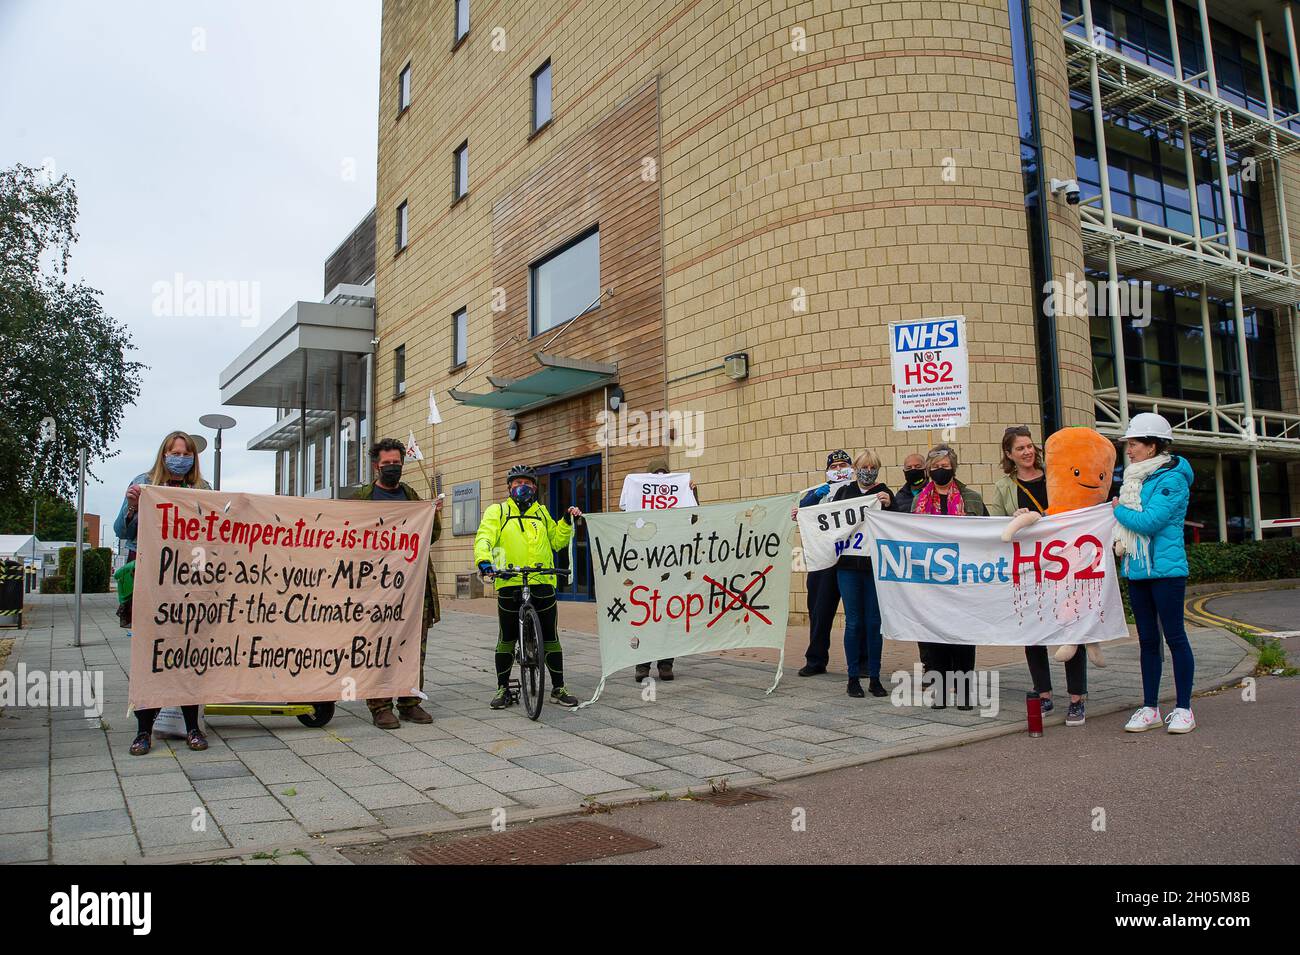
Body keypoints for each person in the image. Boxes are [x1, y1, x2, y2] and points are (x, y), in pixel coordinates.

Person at [114, 431, 212, 756]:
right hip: (149, 581)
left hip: (187, 582)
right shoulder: (144, 483)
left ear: (193, 458)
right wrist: (132, 507)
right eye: (174, 452)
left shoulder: (201, 489)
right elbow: (122, 532)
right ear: (163, 454)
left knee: (188, 652)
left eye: (185, 453)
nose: (179, 458)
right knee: (149, 654)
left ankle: (192, 727)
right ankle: (144, 731)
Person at [988, 426, 1086, 726]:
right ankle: (1043, 693)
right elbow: (994, 524)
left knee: (1072, 627)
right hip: (1029, 569)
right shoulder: (1004, 486)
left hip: (1063, 563)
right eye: (1020, 449)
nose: (1027, 452)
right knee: (1034, 630)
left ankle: (1076, 698)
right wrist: (1011, 518)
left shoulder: (1056, 474)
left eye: (1030, 446)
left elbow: (1077, 506)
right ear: (1009, 454)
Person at [1113, 414, 1196, 734]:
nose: (1129, 450)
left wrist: (1117, 508)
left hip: (1167, 571)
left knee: (1175, 638)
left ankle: (1184, 708)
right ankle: (1149, 708)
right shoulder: (1137, 477)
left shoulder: (1172, 478)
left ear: (1152, 445)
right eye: (1128, 444)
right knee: (1148, 641)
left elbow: (1149, 522)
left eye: (1134, 444)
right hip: (1137, 569)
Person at [475, 464, 582, 709]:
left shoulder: (542, 513)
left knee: (551, 637)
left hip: (542, 580)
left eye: (528, 483)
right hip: (510, 580)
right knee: (507, 637)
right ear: (509, 487)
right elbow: (484, 537)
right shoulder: (498, 512)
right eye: (517, 483)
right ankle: (503, 688)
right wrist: (484, 560)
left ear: (534, 487)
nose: (522, 487)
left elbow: (557, 541)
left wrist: (566, 520)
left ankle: (558, 688)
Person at [353, 438, 442, 730]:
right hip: (377, 588)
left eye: (397, 463)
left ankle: (409, 702)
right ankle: (380, 705)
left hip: (414, 588)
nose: (392, 468)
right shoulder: (362, 499)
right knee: (379, 646)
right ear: (376, 465)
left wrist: (432, 513)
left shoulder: (412, 495)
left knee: (415, 646)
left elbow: (432, 535)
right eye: (387, 463)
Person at [910, 444, 985, 709]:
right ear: (928, 470)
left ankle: (964, 692)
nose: (941, 471)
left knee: (963, 636)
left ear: (953, 466)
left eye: (945, 466)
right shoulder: (917, 502)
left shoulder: (972, 498)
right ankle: (940, 691)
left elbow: (985, 534)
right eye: (935, 467)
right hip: (931, 580)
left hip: (964, 576)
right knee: (936, 636)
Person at [829, 451, 892, 698]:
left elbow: (897, 525)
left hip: (874, 568)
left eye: (872, 466)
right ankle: (853, 677)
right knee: (853, 622)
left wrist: (890, 505)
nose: (868, 470)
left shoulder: (885, 493)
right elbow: (825, 519)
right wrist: (801, 516)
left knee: (874, 622)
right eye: (864, 466)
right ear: (856, 468)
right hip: (848, 567)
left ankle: (875, 677)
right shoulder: (844, 493)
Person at [631, 457, 697, 683]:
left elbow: (693, 518)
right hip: (646, 566)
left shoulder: (681, 493)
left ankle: (666, 664)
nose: (660, 479)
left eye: (663, 475)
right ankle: (642, 665)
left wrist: (692, 494)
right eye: (655, 475)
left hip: (672, 566)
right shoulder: (638, 494)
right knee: (645, 616)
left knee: (669, 615)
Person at [794, 450, 854, 677]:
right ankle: (816, 659)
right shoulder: (818, 493)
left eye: (843, 465)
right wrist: (813, 498)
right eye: (834, 466)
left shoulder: (857, 492)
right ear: (828, 471)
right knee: (819, 612)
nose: (839, 469)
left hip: (850, 560)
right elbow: (801, 511)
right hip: (822, 562)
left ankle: (861, 662)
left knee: (855, 614)